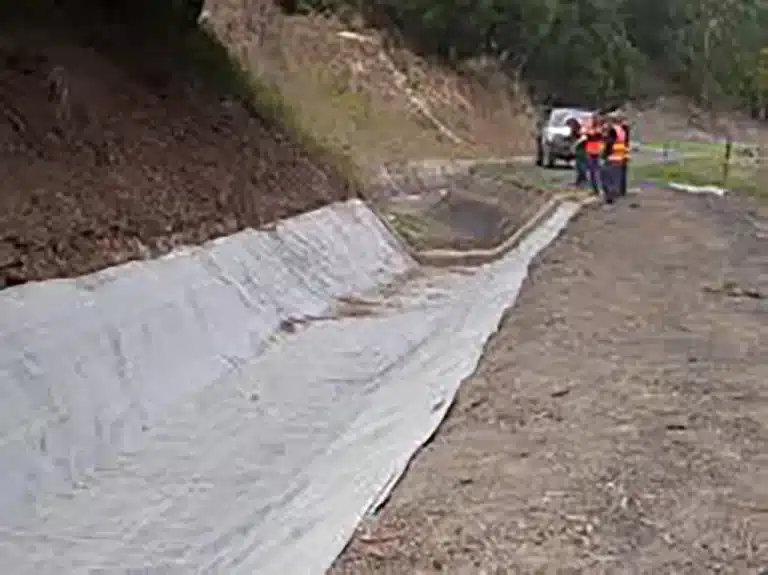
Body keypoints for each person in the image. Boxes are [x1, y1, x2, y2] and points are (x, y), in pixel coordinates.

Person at [600, 116, 628, 204]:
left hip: (611, 156)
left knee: (606, 177)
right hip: (619, 156)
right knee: (614, 178)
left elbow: (609, 143)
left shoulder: (613, 130)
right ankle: (613, 194)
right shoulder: (622, 130)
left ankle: (609, 196)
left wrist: (603, 155)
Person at [582, 114, 604, 197]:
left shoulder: (598, 128)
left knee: (596, 171)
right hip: (591, 150)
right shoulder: (591, 128)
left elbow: (594, 134)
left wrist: (588, 130)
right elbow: (584, 133)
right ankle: (594, 189)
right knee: (591, 171)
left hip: (595, 150)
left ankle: (598, 189)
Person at [568, 117, 588, 187]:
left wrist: (575, 144)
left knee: (582, 166)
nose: (570, 126)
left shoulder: (580, 129)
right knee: (578, 166)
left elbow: (583, 138)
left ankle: (583, 181)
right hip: (578, 150)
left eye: (570, 125)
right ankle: (579, 181)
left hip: (583, 149)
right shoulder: (573, 130)